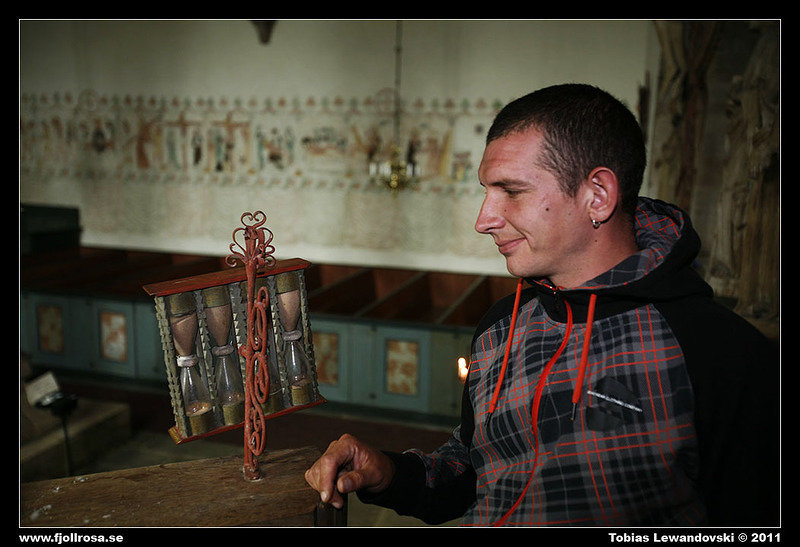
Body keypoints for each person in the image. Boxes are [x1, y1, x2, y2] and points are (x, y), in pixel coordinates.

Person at [304, 83, 779, 527]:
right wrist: (390, 473)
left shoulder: (718, 351)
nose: (483, 220)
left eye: (511, 191)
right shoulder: (499, 326)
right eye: (487, 192)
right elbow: (474, 472)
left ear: (597, 196)